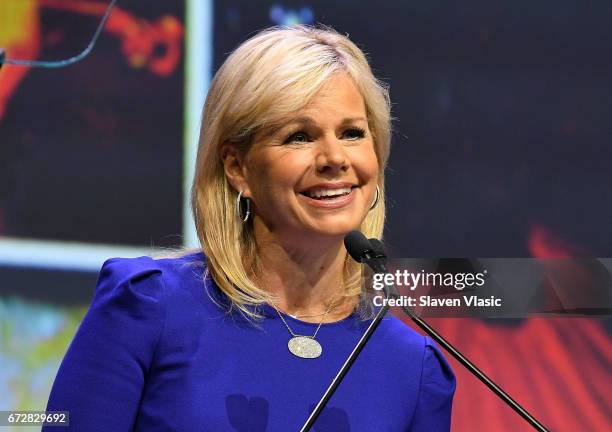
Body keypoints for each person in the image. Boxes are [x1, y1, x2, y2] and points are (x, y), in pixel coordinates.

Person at [44, 24, 455, 431]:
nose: (334, 158)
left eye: (351, 133)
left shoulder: (411, 368)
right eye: (298, 136)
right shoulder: (149, 307)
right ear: (237, 168)